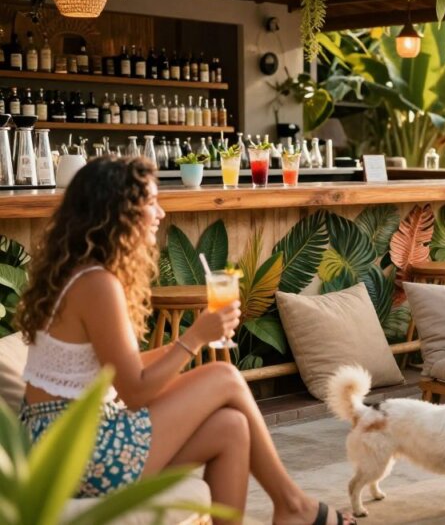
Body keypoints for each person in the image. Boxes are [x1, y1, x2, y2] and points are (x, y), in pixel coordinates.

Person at [16, 157, 350, 525]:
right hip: (75, 453)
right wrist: (194, 338)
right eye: (151, 202)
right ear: (118, 212)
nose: (160, 212)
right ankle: (293, 505)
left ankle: (291, 507)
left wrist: (203, 340)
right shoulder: (97, 284)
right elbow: (135, 392)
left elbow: (122, 369)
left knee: (231, 429)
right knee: (223, 378)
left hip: (67, 444)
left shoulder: (83, 277)